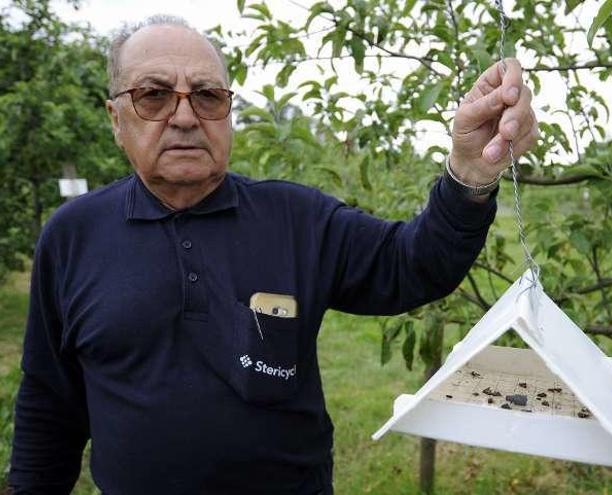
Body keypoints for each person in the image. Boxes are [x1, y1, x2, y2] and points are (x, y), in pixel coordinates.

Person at [9, 15, 538, 495]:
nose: (185, 116)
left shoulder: (297, 219)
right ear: (115, 117)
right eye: (154, 95)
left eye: (208, 96)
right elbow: (49, 402)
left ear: (229, 111)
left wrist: (471, 171)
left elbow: (415, 265)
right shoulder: (73, 235)